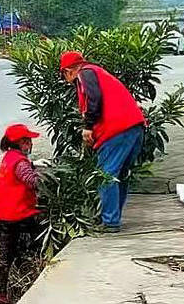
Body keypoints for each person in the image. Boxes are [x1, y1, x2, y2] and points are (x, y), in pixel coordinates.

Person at [59, 51, 145, 233]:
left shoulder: (85, 73)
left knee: (105, 175)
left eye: (63, 74)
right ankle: (113, 218)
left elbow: (94, 98)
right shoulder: (98, 72)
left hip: (117, 129)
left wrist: (88, 126)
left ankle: (110, 221)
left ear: (69, 71)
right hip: (134, 127)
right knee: (119, 175)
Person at [0, 124, 42, 304]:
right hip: (15, 215)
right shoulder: (20, 162)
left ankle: (1, 296)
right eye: (26, 141)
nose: (29, 144)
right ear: (17, 143)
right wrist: (50, 179)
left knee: (5, 257)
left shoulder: (8, 158)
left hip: (1, 214)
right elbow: (31, 181)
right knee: (39, 239)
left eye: (29, 141)